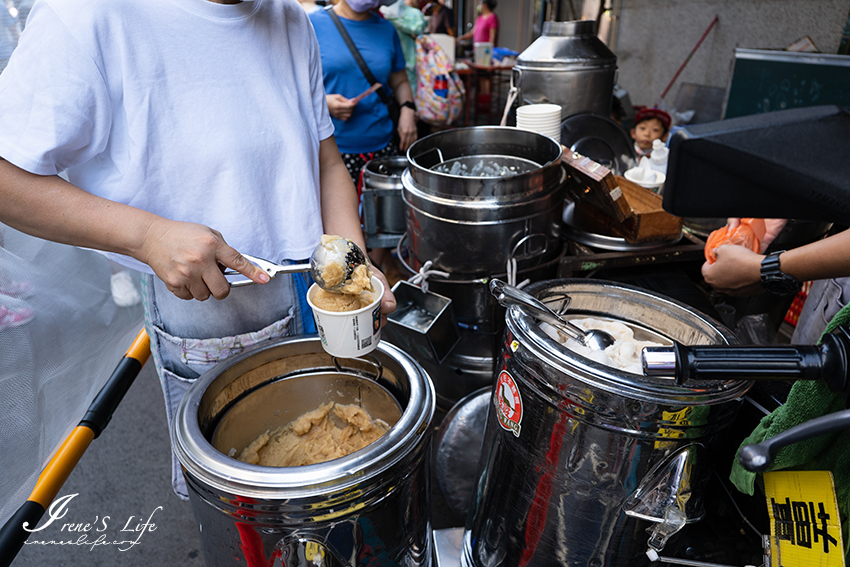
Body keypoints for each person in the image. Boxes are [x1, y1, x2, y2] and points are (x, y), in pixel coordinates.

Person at [0, 0, 395, 499]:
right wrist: (147, 235)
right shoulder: (89, 14)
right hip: (210, 303)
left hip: (315, 290)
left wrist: (355, 269)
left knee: (332, 485)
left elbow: (325, 161)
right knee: (241, 503)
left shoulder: (288, 18)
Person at [310, 0, 417, 282]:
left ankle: (371, 279)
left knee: (380, 226)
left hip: (382, 149)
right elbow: (296, 85)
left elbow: (399, 80)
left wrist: (408, 109)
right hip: (334, 153)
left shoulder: (386, 29)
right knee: (336, 230)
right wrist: (324, 103)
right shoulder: (312, 24)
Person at [381, 0, 427, 93]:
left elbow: (418, 29)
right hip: (389, 58)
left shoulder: (414, 14)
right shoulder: (383, 12)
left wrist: (394, 20)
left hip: (409, 60)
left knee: (410, 90)